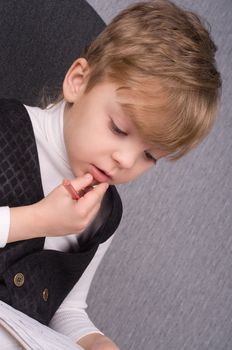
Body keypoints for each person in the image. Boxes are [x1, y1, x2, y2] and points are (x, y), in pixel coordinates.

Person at [0, 0, 221, 349]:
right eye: (119, 129)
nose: (125, 160)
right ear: (78, 81)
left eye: (149, 155)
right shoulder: (5, 129)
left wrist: (97, 343)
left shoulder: (102, 214)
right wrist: (39, 220)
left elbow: (67, 310)